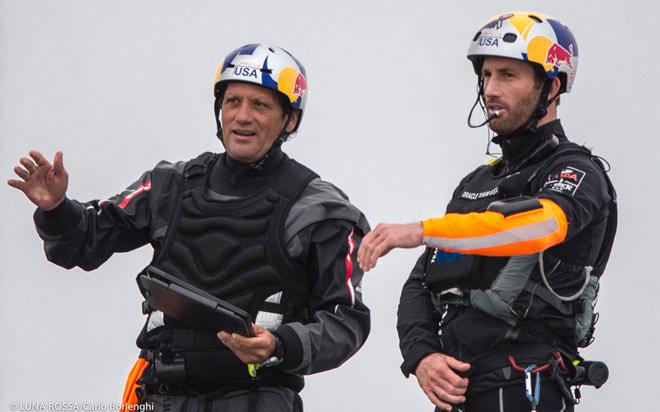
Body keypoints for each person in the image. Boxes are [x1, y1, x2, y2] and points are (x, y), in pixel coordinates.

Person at [8, 43, 371, 412]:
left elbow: (346, 321)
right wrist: (56, 209)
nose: (242, 116)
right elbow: (83, 242)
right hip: (158, 394)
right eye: (233, 101)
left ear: (289, 119)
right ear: (219, 110)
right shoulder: (170, 185)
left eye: (260, 105)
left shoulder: (322, 210)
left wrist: (281, 345)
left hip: (256, 398)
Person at [357, 12, 616, 412]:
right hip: (460, 392)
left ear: (552, 85)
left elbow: (533, 227)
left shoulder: (576, 170)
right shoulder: (474, 183)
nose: (491, 89)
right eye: (487, 74)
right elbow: (421, 284)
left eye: (508, 75)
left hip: (529, 382)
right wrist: (423, 357)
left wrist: (419, 230)